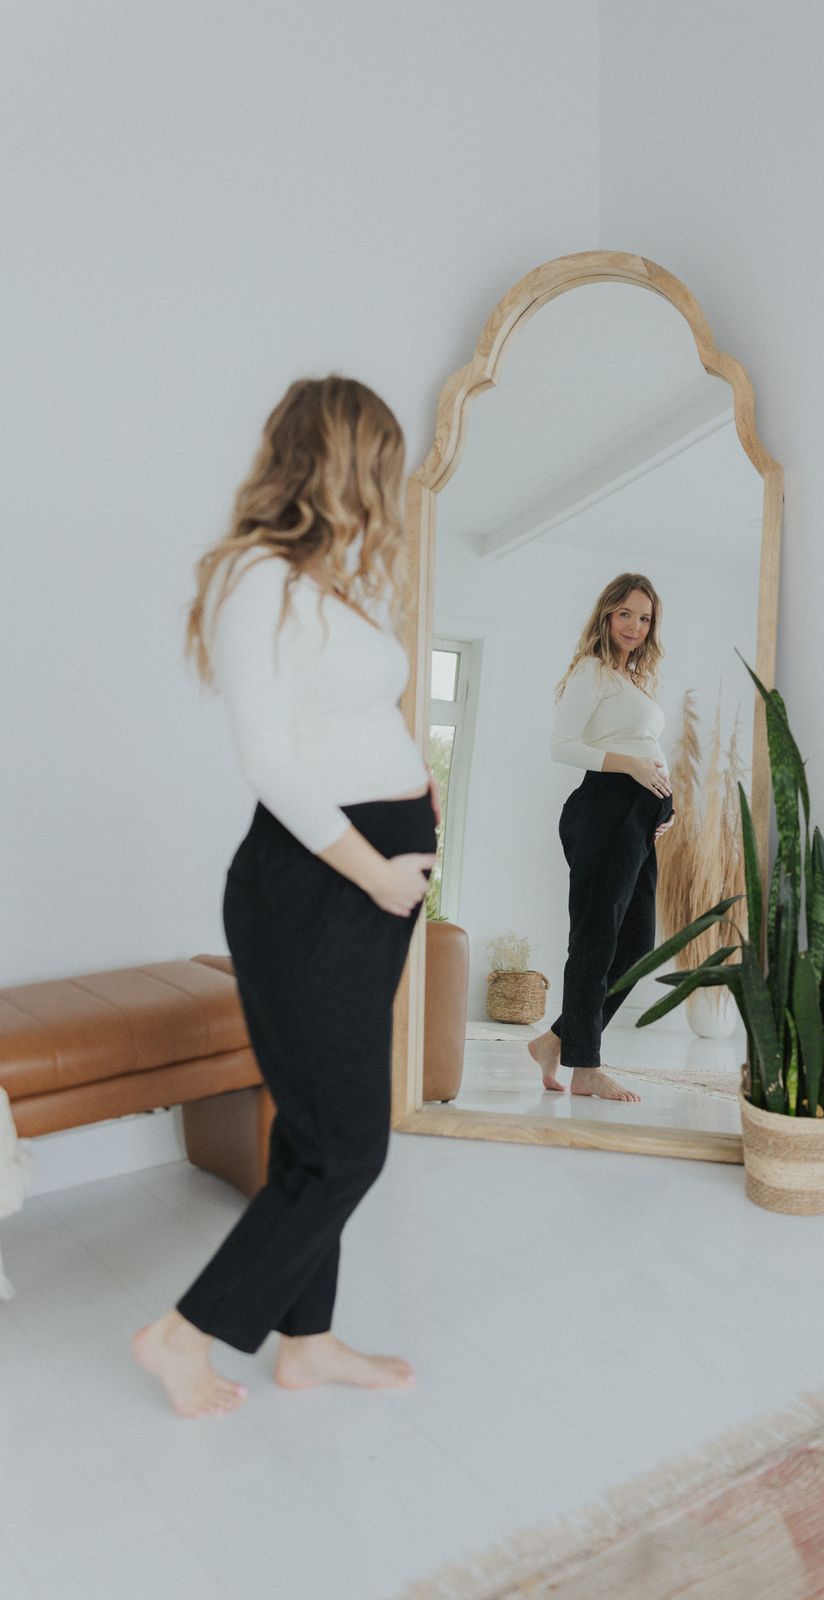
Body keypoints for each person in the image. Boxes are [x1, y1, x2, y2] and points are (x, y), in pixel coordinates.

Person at [132, 375, 440, 1418]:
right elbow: (269, 760)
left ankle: (304, 1344)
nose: (389, 489)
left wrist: (416, 786)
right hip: (317, 887)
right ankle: (183, 1334)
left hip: (362, 884)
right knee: (351, 1141)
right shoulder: (256, 577)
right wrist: (379, 871)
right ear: (342, 460)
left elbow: (341, 725)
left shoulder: (324, 582)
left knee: (314, 1130)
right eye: (382, 464)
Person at [527, 575, 675, 1104]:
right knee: (595, 941)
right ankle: (584, 1068)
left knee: (636, 945)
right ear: (607, 615)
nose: (635, 626)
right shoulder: (591, 671)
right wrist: (634, 768)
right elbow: (562, 745)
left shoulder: (631, 679)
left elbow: (643, 745)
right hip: (604, 809)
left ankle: (557, 1040)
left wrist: (662, 804)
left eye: (645, 618)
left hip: (636, 816)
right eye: (626, 614)